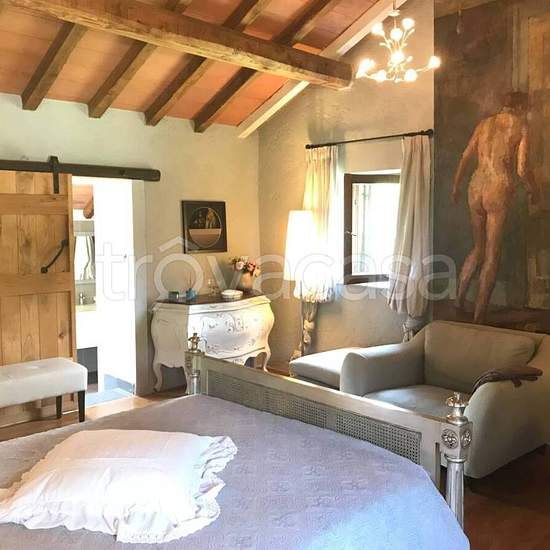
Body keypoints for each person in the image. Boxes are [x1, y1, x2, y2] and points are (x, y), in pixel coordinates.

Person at [451, 91, 540, 323]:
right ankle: (479, 316)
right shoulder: (520, 126)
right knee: (492, 254)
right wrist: (534, 189)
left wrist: (456, 186)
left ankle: (459, 301)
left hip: (475, 186)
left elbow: (465, 156)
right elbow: (521, 169)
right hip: (498, 187)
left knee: (477, 248)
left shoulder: (484, 124)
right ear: (520, 107)